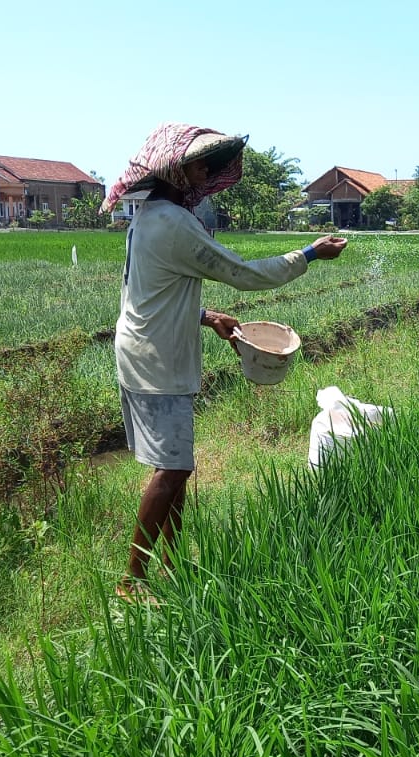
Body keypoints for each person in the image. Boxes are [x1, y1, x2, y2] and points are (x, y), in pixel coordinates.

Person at [100, 123, 346, 600]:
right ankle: (131, 582)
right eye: (196, 165)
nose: (203, 172)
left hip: (146, 347)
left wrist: (204, 314)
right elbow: (245, 273)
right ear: (174, 169)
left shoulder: (151, 216)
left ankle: (169, 564)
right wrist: (310, 253)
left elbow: (152, 290)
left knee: (178, 465)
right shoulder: (172, 223)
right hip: (157, 360)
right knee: (171, 469)